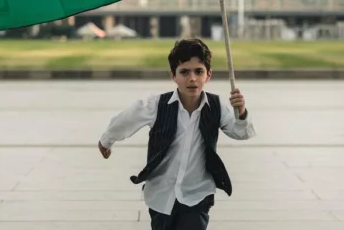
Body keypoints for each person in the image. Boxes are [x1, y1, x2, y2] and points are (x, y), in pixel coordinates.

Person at [98, 37, 256, 229]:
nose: (192, 78)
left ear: (208, 75)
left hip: (197, 195)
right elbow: (127, 118)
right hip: (161, 194)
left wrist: (241, 113)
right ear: (173, 75)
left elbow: (241, 133)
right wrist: (107, 140)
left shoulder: (217, 106)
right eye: (184, 72)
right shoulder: (157, 105)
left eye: (199, 72)